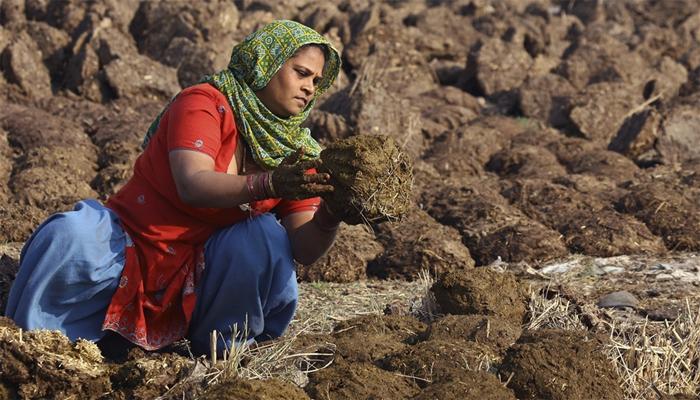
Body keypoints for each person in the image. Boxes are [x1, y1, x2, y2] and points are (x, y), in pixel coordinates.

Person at [4, 20, 343, 356]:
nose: (310, 88)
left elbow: (304, 248)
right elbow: (192, 184)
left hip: (205, 273)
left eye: (316, 80)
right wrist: (268, 182)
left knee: (265, 237)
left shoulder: (298, 153)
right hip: (133, 244)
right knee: (70, 234)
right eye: (301, 73)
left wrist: (331, 215)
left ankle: (225, 349)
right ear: (263, 63)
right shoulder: (205, 103)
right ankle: (35, 348)